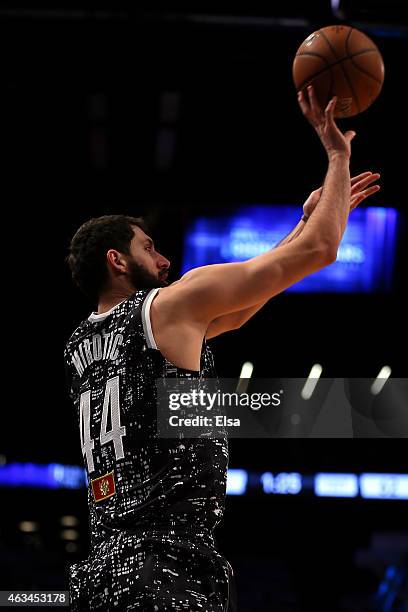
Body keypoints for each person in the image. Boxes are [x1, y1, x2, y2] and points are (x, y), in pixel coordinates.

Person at [64, 85, 380, 610]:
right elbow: (323, 251)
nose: (164, 262)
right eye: (150, 248)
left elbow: (240, 308)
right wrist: (337, 159)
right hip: (165, 569)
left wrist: (304, 222)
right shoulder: (168, 306)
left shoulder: (82, 342)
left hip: (103, 569)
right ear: (117, 261)